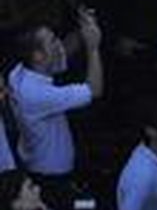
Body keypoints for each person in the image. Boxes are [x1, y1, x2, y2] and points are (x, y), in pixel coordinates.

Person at [8, 12, 103, 197]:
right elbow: (95, 90)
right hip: (53, 182)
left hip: (39, 168)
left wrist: (83, 28)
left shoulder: (18, 73)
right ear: (38, 56)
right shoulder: (38, 94)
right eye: (53, 41)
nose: (59, 44)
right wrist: (93, 48)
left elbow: (64, 51)